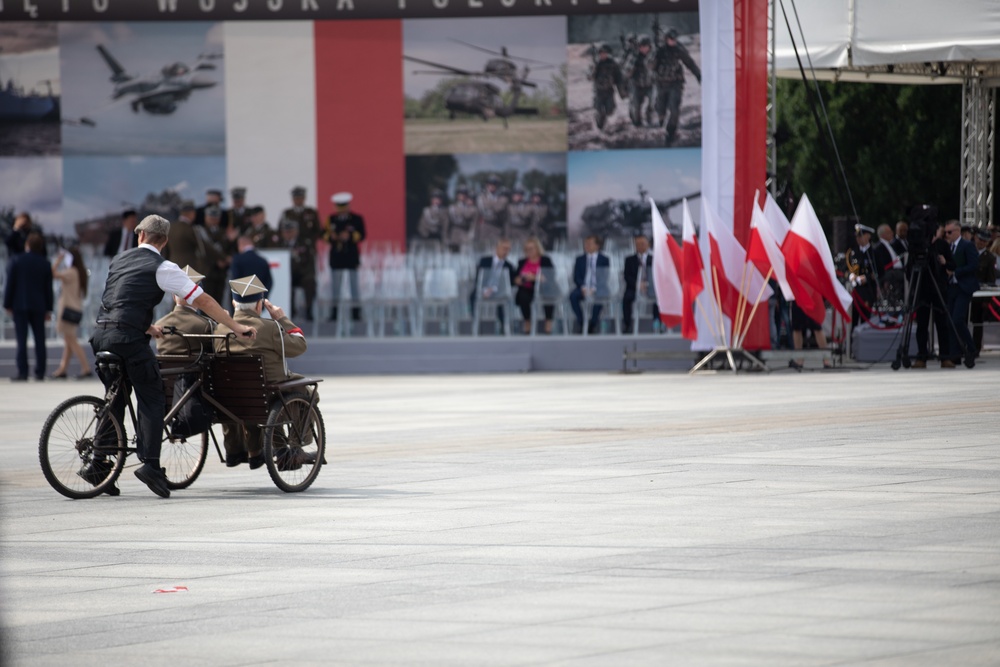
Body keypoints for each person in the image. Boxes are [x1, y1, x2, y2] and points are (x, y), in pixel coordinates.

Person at [89, 214, 256, 498]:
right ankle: (151, 466)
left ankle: (98, 465)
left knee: (114, 399)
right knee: (152, 398)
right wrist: (237, 327)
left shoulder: (118, 260)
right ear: (164, 242)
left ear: (139, 234)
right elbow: (202, 300)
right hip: (129, 340)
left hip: (101, 335)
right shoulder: (163, 266)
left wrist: (148, 327)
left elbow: (120, 301)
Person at [214, 275, 309, 469]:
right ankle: (295, 447)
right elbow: (299, 346)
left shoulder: (220, 329)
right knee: (308, 393)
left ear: (234, 303)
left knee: (254, 392)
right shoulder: (270, 327)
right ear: (260, 306)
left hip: (232, 397)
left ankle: (257, 450)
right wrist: (282, 318)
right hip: (267, 395)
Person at [3, 231, 53, 381]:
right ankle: (40, 372)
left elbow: (9, 284)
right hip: (39, 306)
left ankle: (23, 372)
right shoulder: (45, 263)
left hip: (20, 305)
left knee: (21, 339)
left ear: (27, 245)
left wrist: (7, 304)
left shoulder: (16, 260)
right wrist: (49, 308)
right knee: (40, 340)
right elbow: (48, 289)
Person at [912, 221, 954, 369]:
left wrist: (945, 262)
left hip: (939, 288)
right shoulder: (917, 246)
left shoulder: (942, 245)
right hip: (922, 288)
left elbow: (952, 265)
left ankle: (945, 357)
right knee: (922, 324)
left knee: (942, 324)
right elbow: (910, 268)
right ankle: (921, 356)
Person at [652, 28, 701, 145]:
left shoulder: (679, 50)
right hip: (661, 84)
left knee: (674, 110)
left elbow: (689, 63)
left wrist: (698, 75)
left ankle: (670, 132)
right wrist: (654, 54)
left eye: (674, 39)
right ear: (666, 39)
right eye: (670, 39)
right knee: (660, 107)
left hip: (675, 84)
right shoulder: (659, 50)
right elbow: (650, 66)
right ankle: (661, 118)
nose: (673, 41)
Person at [153, 266, 215, 356]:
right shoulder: (205, 325)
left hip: (164, 369)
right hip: (195, 370)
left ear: (173, 296)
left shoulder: (158, 324)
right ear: (198, 296)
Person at [50, 247, 92, 379]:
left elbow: (53, 274)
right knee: (68, 342)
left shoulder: (72, 271)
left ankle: (86, 368)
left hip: (68, 309)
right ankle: (62, 369)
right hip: (74, 308)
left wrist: (58, 260)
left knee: (71, 340)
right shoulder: (78, 271)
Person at [942, 219, 978, 367]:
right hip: (952, 288)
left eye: (949, 232)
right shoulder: (949, 248)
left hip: (964, 287)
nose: (947, 235)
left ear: (957, 232)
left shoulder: (967, 245)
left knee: (958, 319)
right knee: (951, 321)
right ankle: (954, 354)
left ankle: (971, 347)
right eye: (946, 232)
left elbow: (973, 265)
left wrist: (955, 272)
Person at [325, 191, 366, 322]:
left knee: (354, 286)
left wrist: (350, 236)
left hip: (351, 256)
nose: (341, 210)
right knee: (335, 287)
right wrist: (333, 237)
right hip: (337, 257)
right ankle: (334, 313)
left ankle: (356, 313)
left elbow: (362, 234)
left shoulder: (356, 219)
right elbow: (323, 234)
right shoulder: (331, 219)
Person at [471, 238, 515, 331]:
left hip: (499, 291)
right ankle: (475, 323)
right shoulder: (484, 261)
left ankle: (504, 327)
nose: (506, 251)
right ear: (497, 248)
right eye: (504, 248)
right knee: (473, 295)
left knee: (503, 300)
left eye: (508, 249)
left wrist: (494, 289)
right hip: (483, 290)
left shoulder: (509, 266)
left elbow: (509, 284)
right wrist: (484, 290)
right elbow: (479, 278)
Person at [570, 235, 611, 334]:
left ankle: (593, 323)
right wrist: (583, 287)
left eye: (590, 244)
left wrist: (594, 288)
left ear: (597, 246)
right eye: (586, 244)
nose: (587, 246)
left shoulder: (604, 259)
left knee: (600, 295)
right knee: (573, 296)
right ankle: (581, 321)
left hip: (599, 287)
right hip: (582, 287)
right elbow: (576, 277)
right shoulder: (580, 259)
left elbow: (604, 276)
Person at [513, 236, 555, 334]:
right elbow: (515, 277)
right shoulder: (522, 262)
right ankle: (527, 321)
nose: (529, 251)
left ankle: (548, 321)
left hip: (544, 287)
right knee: (523, 295)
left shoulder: (545, 260)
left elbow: (550, 277)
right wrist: (518, 280)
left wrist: (535, 277)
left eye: (531, 248)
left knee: (548, 294)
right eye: (527, 249)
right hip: (527, 288)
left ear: (537, 248)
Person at [279, 219, 317, 321]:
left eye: (290, 231)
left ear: (296, 231)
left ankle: (309, 310)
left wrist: (306, 274)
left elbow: (310, 263)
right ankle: (289, 311)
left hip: (302, 274)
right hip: (285, 275)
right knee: (284, 284)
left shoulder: (304, 243)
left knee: (310, 282)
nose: (287, 234)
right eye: (285, 232)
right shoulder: (279, 243)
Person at [847, 224, 881, 328]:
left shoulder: (874, 252)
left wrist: (866, 278)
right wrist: (851, 276)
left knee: (865, 321)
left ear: (868, 236)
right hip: (855, 291)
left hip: (867, 291)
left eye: (861, 236)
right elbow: (847, 268)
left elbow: (880, 271)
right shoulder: (853, 252)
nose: (858, 239)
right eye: (857, 236)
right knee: (853, 321)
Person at [970, 228, 997, 355]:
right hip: (965, 292)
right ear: (975, 238)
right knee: (962, 320)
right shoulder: (968, 251)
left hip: (980, 294)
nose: (981, 243)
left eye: (984, 241)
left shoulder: (990, 258)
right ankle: (962, 346)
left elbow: (991, 279)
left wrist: (987, 300)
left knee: (977, 323)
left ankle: (975, 348)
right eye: (980, 239)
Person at [622, 234, 657, 333]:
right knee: (626, 299)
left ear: (648, 245)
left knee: (658, 299)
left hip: (651, 288)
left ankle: (657, 324)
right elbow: (627, 276)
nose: (640, 246)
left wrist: (648, 285)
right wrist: (638, 284)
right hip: (634, 288)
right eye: (637, 244)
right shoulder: (629, 260)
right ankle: (627, 325)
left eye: (642, 244)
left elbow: (657, 275)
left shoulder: (654, 259)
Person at [624, 34, 654, 127]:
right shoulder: (634, 56)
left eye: (646, 46)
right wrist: (632, 67)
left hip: (650, 85)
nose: (644, 49)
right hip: (637, 85)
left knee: (654, 102)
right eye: (641, 46)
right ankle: (637, 123)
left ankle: (649, 115)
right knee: (636, 107)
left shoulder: (654, 55)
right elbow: (627, 71)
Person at [279, 186, 323, 251]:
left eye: (300, 198)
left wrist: (310, 241)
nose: (298, 201)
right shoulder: (287, 213)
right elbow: (280, 229)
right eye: (296, 198)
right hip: (291, 247)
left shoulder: (311, 212)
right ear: (293, 199)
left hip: (308, 248)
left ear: (304, 198)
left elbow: (318, 230)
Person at [163, 201, 200, 271]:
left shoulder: (170, 228)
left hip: (172, 267)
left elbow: (165, 251)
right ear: (191, 213)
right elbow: (202, 249)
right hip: (189, 270)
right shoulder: (191, 229)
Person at [476, 176, 508, 247]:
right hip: (485, 227)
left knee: (496, 250)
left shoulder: (503, 198)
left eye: (494, 184)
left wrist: (489, 204)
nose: (491, 186)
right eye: (489, 184)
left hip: (497, 227)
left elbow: (499, 209)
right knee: (483, 249)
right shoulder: (481, 198)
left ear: (497, 186)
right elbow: (478, 215)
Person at [447, 187, 478, 253]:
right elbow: (447, 224)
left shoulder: (472, 209)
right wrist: (446, 237)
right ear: (457, 196)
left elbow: (474, 224)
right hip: (453, 235)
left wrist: (471, 235)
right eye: (461, 194)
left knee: (465, 257)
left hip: (465, 235)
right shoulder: (452, 208)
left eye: (465, 195)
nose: (463, 196)